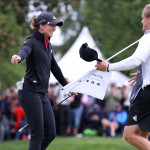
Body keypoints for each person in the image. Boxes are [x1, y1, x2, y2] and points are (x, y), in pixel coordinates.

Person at [11, 12, 76, 150]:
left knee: (51, 133)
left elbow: (55, 68)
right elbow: (25, 51)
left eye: (55, 25)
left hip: (42, 93)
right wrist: (19, 57)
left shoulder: (48, 45)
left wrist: (68, 86)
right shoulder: (31, 41)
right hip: (29, 92)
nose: (54, 28)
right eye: (51, 25)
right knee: (38, 134)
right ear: (41, 26)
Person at [96, 4, 150, 150]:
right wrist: (141, 74)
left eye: (143, 18)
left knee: (129, 135)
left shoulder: (148, 38)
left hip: (146, 94)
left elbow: (135, 60)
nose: (142, 21)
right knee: (142, 135)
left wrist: (108, 67)